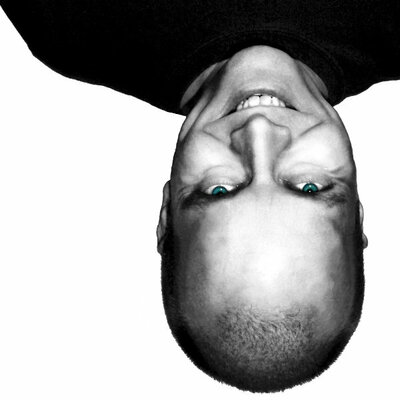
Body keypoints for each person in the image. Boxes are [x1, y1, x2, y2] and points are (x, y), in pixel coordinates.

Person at [1, 0, 399, 393]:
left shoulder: (69, 25)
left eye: (220, 188)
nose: (259, 130)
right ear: (358, 211)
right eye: (308, 186)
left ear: (166, 213)